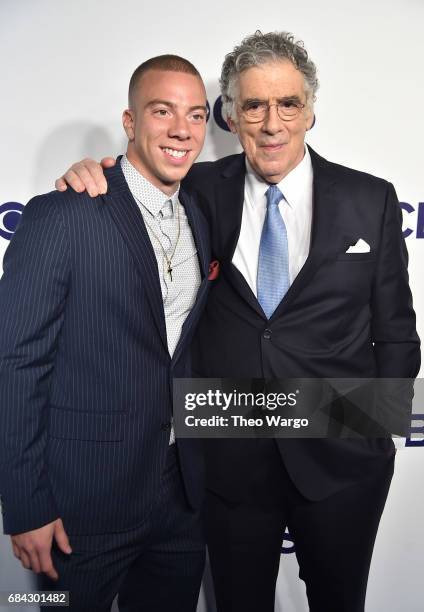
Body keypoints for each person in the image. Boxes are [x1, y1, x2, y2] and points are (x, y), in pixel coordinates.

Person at [54, 31, 420, 612]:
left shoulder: (369, 199)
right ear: (231, 115)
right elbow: (133, 183)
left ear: (310, 111)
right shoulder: (197, 189)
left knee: (340, 601)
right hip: (227, 460)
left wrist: (376, 438)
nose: (272, 122)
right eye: (253, 105)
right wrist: (88, 176)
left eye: (288, 104)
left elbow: (396, 332)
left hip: (341, 459)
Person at [0, 55, 211, 611]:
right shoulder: (63, 214)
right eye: (162, 111)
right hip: (81, 506)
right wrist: (25, 506)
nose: (181, 130)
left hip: (179, 497)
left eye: (195, 115)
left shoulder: (201, 214)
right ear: (130, 121)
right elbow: (16, 362)